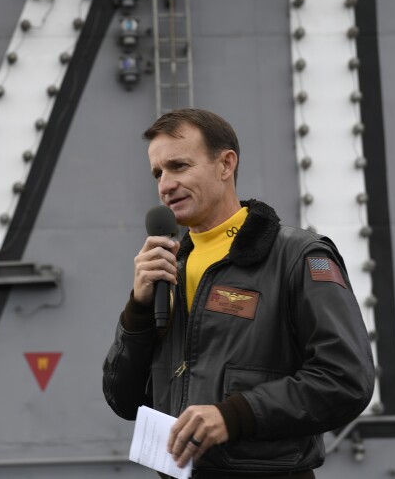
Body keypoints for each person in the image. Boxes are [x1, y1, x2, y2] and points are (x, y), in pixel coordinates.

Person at [102, 109, 374, 478]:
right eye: (158, 173)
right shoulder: (167, 268)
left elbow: (346, 380)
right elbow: (124, 399)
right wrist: (138, 308)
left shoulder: (297, 256)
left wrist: (234, 416)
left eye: (179, 166)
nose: (165, 185)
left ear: (225, 164)